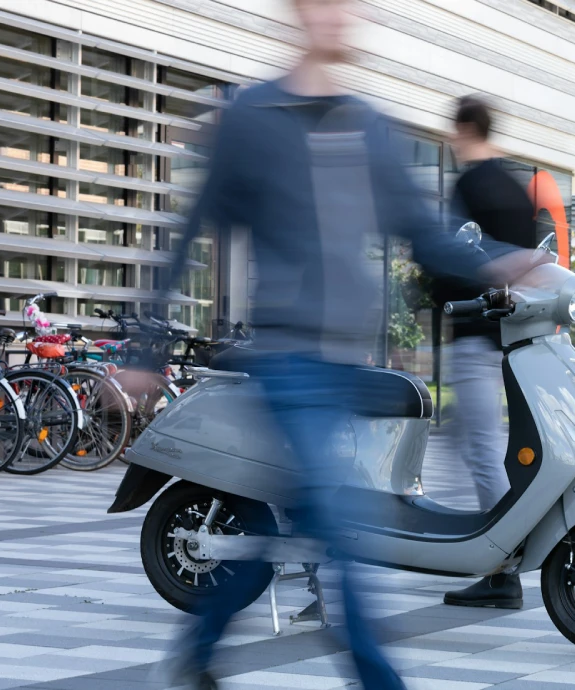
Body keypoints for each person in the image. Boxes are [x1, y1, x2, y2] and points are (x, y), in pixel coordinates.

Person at [158, 2, 535, 687]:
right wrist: (141, 347)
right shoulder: (252, 120)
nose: (343, 17)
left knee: (305, 524)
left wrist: (496, 264)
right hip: (288, 360)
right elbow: (190, 230)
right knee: (341, 533)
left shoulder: (369, 128)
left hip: (350, 366)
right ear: (300, 13)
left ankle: (196, 651)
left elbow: (423, 232)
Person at [440, 95, 538, 611]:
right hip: (514, 338)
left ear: (464, 129)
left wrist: (431, 301)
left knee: (479, 449)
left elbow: (452, 257)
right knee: (478, 440)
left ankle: (504, 569)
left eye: (453, 133)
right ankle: (487, 539)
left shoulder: (469, 186)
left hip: (476, 332)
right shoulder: (517, 190)